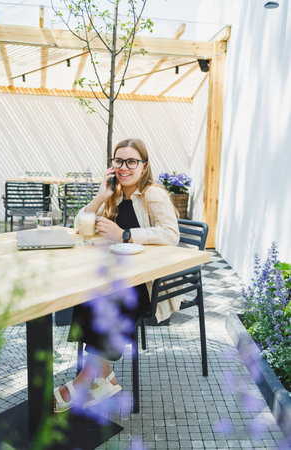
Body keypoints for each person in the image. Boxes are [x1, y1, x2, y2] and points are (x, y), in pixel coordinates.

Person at [54, 138, 180, 413]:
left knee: (106, 299)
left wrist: (123, 234)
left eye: (131, 161)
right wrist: (100, 195)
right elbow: (79, 225)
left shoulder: (152, 194)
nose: (124, 167)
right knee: (89, 292)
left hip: (145, 285)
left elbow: (172, 235)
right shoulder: (113, 196)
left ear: (144, 166)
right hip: (115, 278)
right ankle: (105, 375)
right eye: (118, 160)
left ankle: (86, 379)